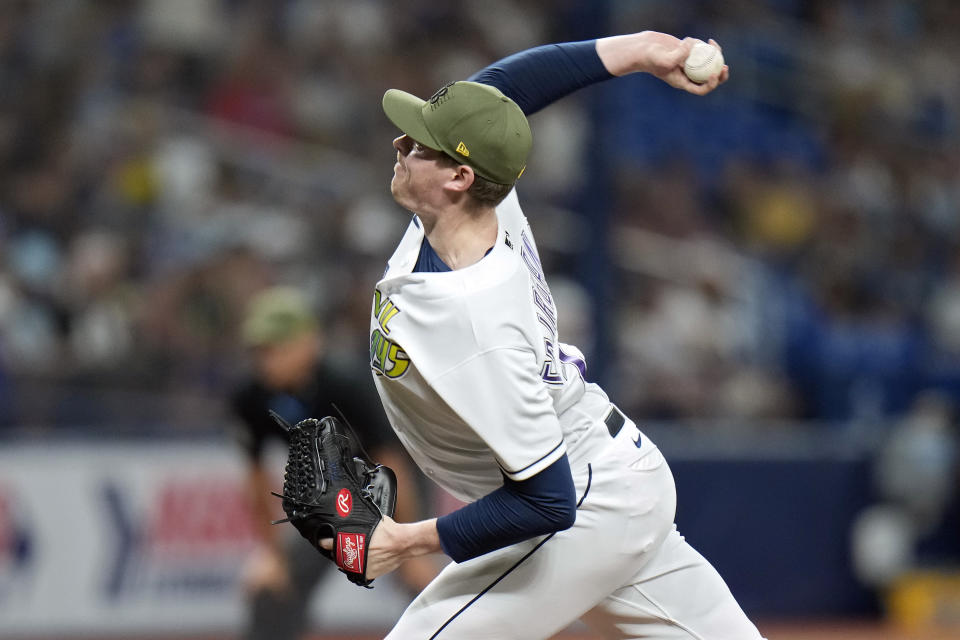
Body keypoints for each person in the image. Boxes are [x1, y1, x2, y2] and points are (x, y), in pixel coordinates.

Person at [341, 31, 767, 639]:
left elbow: (546, 502)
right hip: (612, 471)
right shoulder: (487, 194)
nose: (400, 145)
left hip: (584, 503)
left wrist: (407, 540)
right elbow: (498, 94)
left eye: (418, 145)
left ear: (459, 177)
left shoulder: (473, 319)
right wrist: (641, 50)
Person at [230, 286, 436, 640]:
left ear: (308, 342)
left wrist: (411, 545)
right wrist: (272, 555)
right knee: (272, 590)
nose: (266, 360)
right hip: (331, 496)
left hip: (395, 484)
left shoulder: (346, 383)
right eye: (259, 351)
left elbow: (391, 461)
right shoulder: (251, 397)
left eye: (276, 348)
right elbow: (254, 479)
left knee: (423, 586)